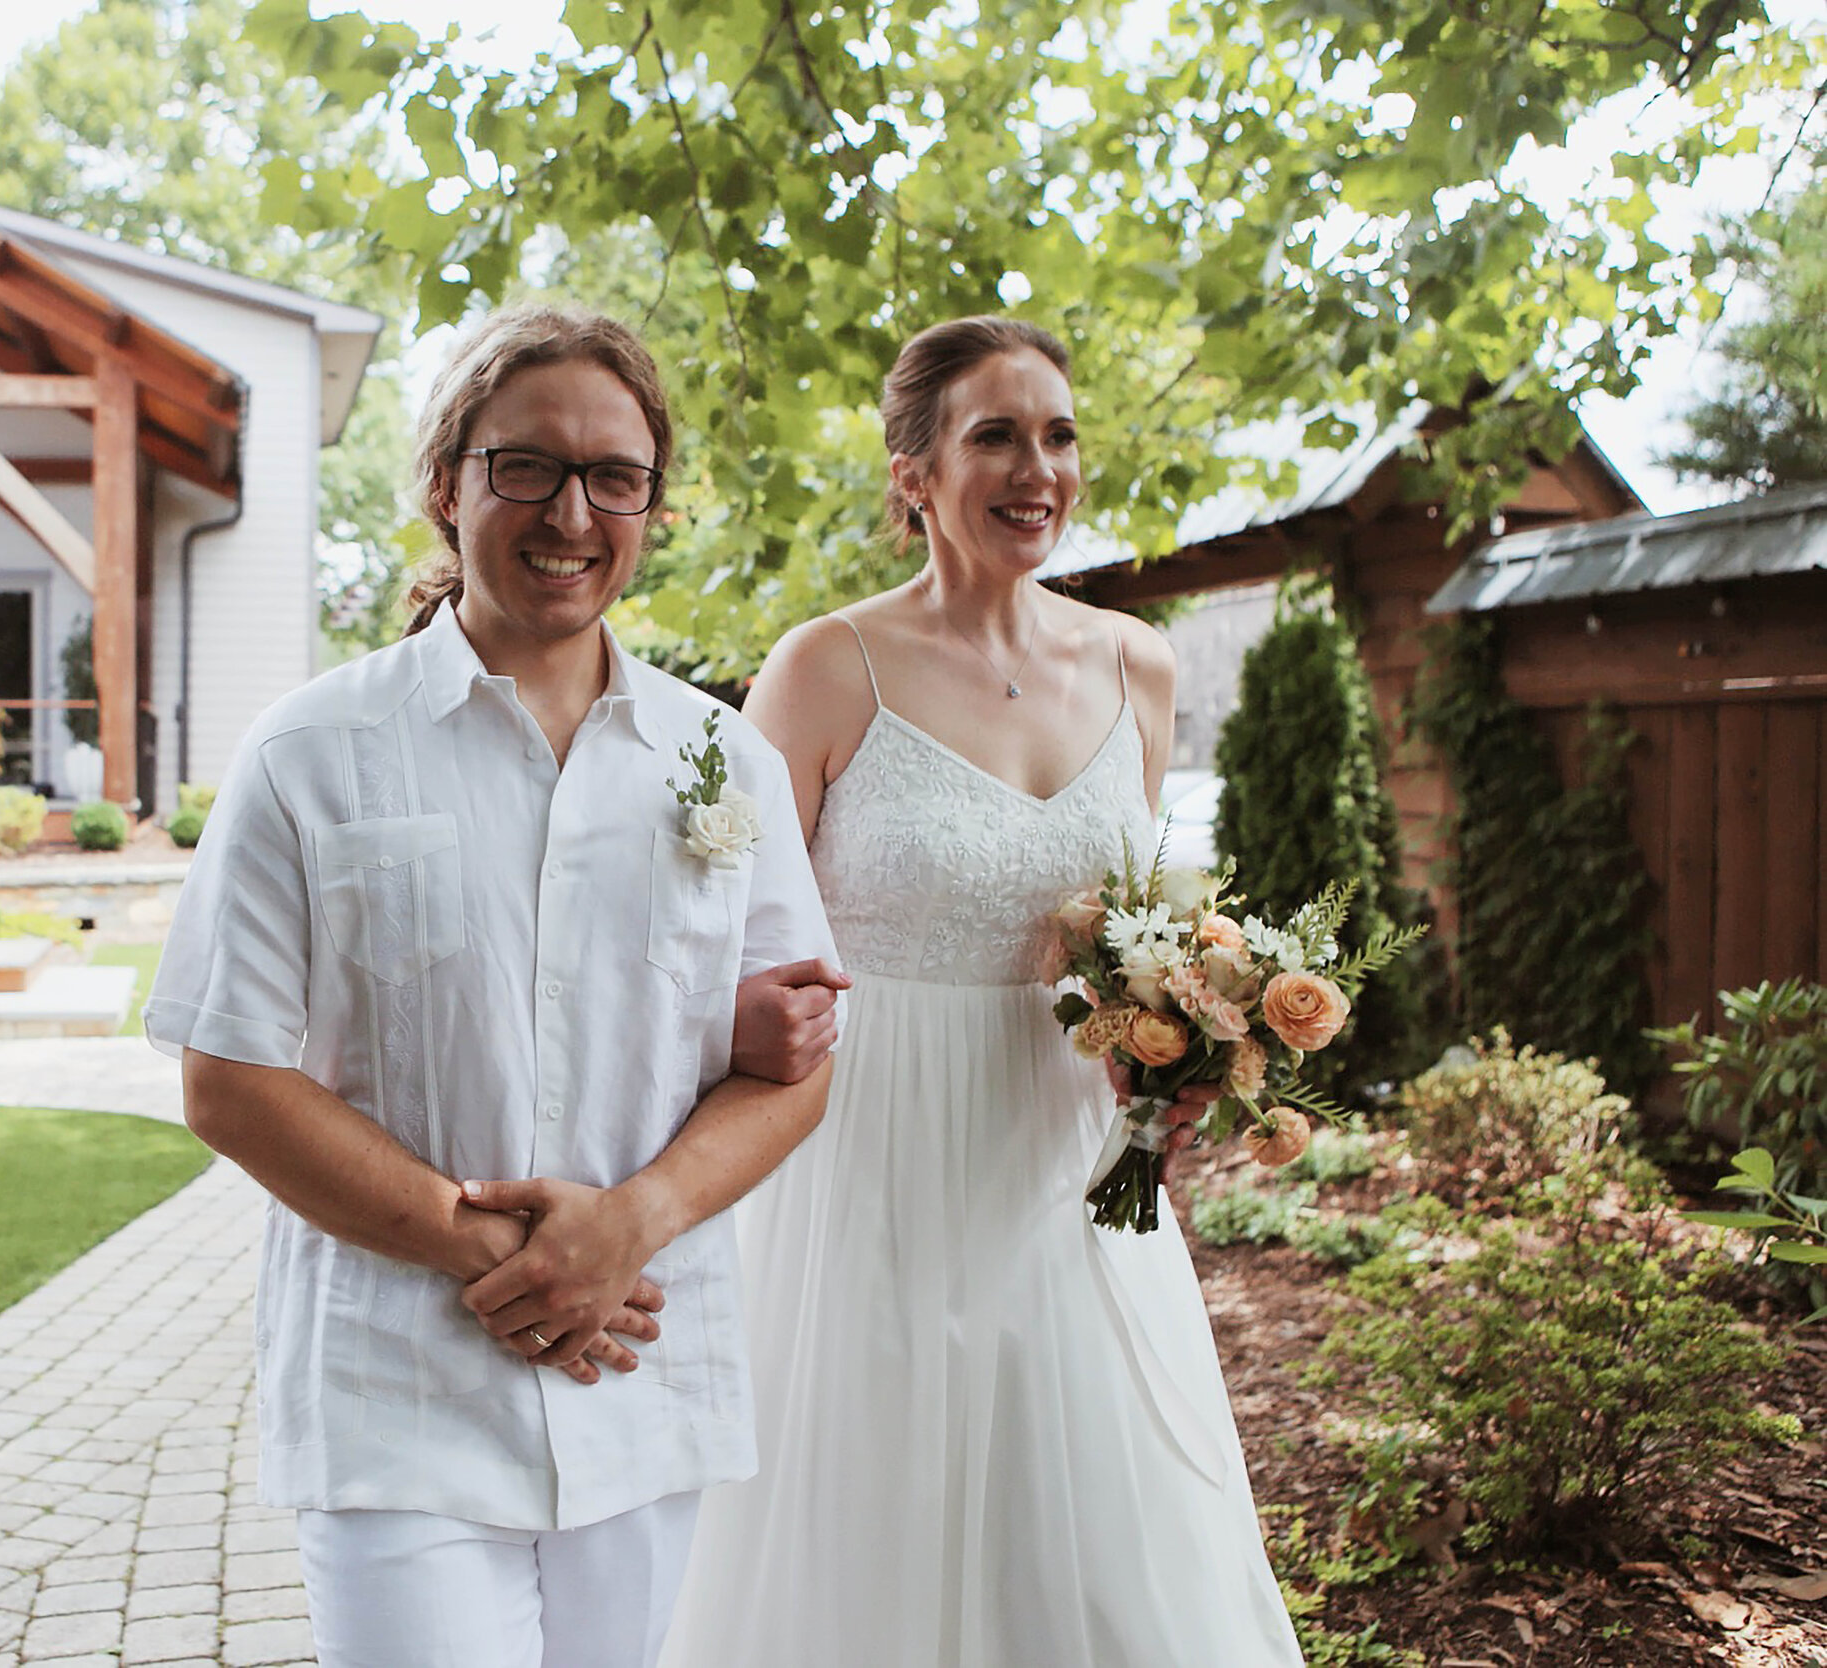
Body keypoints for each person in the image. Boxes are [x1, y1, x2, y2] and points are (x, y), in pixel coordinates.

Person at [145, 303, 841, 1668]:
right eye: (524, 466)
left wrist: (629, 1225)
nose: (570, 512)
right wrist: (501, 1254)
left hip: (646, 1380)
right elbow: (228, 1077)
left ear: (649, 505)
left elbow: (793, 1070)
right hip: (401, 1393)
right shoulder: (311, 754)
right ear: (445, 484)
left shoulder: (726, 762)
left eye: (615, 478)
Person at [663, 316, 1305, 1666]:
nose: (1039, 468)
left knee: (1099, 1537)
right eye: (995, 435)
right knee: (865, 1521)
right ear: (914, 472)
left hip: (1069, 1165)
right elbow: (714, 931)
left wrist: (1179, 1025)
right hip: (867, 1157)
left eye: (1059, 434)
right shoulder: (825, 665)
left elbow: (1137, 919)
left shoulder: (1139, 661)